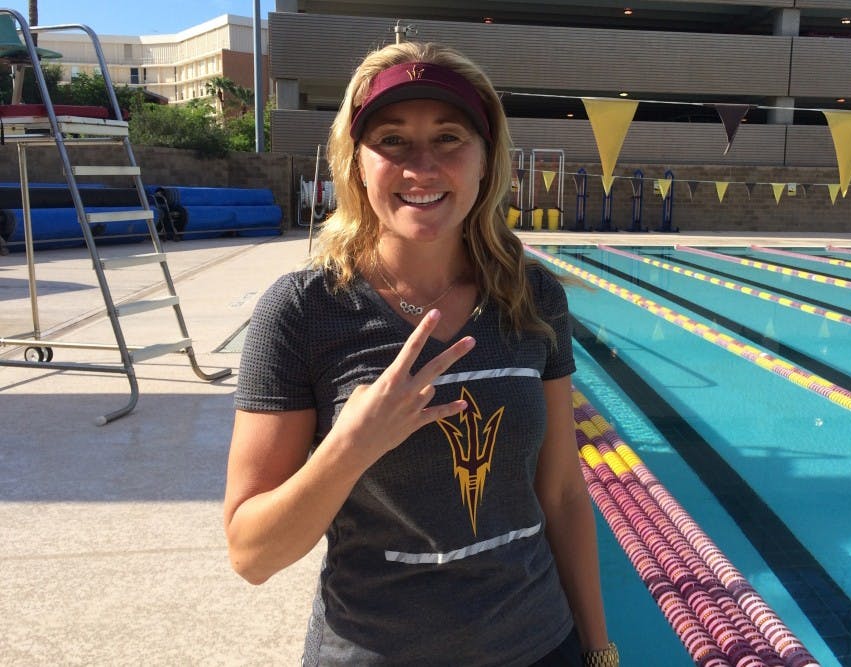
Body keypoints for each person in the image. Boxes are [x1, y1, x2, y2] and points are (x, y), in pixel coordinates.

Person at [223, 40, 617, 667]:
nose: (422, 167)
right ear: (355, 163)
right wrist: (350, 446)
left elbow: (564, 493)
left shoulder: (531, 293)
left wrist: (599, 650)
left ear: (487, 160)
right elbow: (251, 554)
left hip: (541, 646)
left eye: (450, 138)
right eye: (393, 141)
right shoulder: (302, 312)